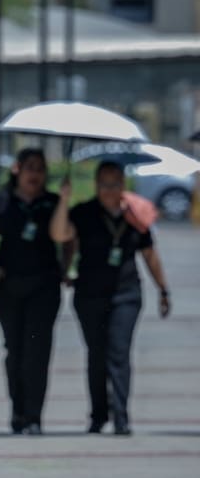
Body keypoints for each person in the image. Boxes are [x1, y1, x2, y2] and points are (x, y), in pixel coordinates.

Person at [50, 161, 171, 435]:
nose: (109, 190)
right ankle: (98, 414)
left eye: (115, 183)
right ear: (96, 185)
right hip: (89, 295)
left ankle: (121, 415)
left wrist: (163, 288)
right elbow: (59, 234)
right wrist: (64, 199)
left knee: (118, 353)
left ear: (123, 185)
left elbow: (149, 254)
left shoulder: (135, 215)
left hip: (126, 295)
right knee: (96, 355)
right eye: (104, 184)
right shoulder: (83, 213)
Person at [0, 148, 68, 435]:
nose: (35, 174)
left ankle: (34, 417)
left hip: (44, 286)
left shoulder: (52, 203)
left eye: (40, 169)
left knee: (37, 352)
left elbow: (65, 237)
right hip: (9, 287)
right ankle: (18, 411)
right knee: (15, 351)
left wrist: (64, 200)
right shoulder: (1, 202)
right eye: (30, 167)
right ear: (17, 169)